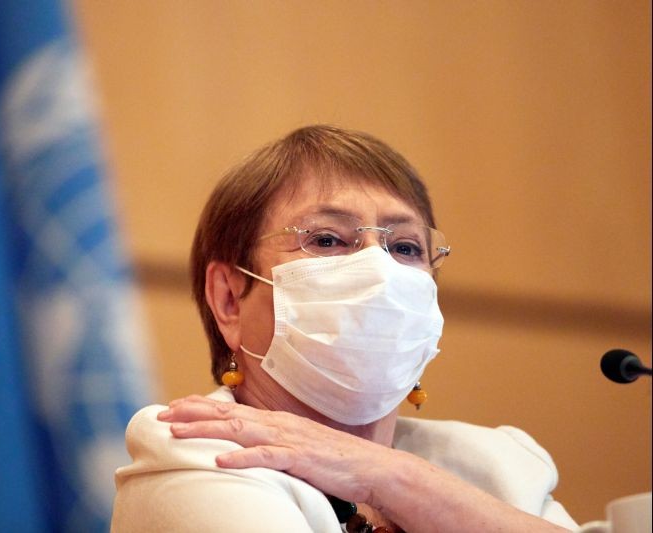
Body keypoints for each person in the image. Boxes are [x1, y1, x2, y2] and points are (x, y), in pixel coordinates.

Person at [110, 125, 577, 532]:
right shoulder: (198, 456)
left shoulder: (500, 466)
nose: (378, 270)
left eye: (407, 248)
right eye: (327, 239)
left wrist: (392, 478)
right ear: (229, 300)